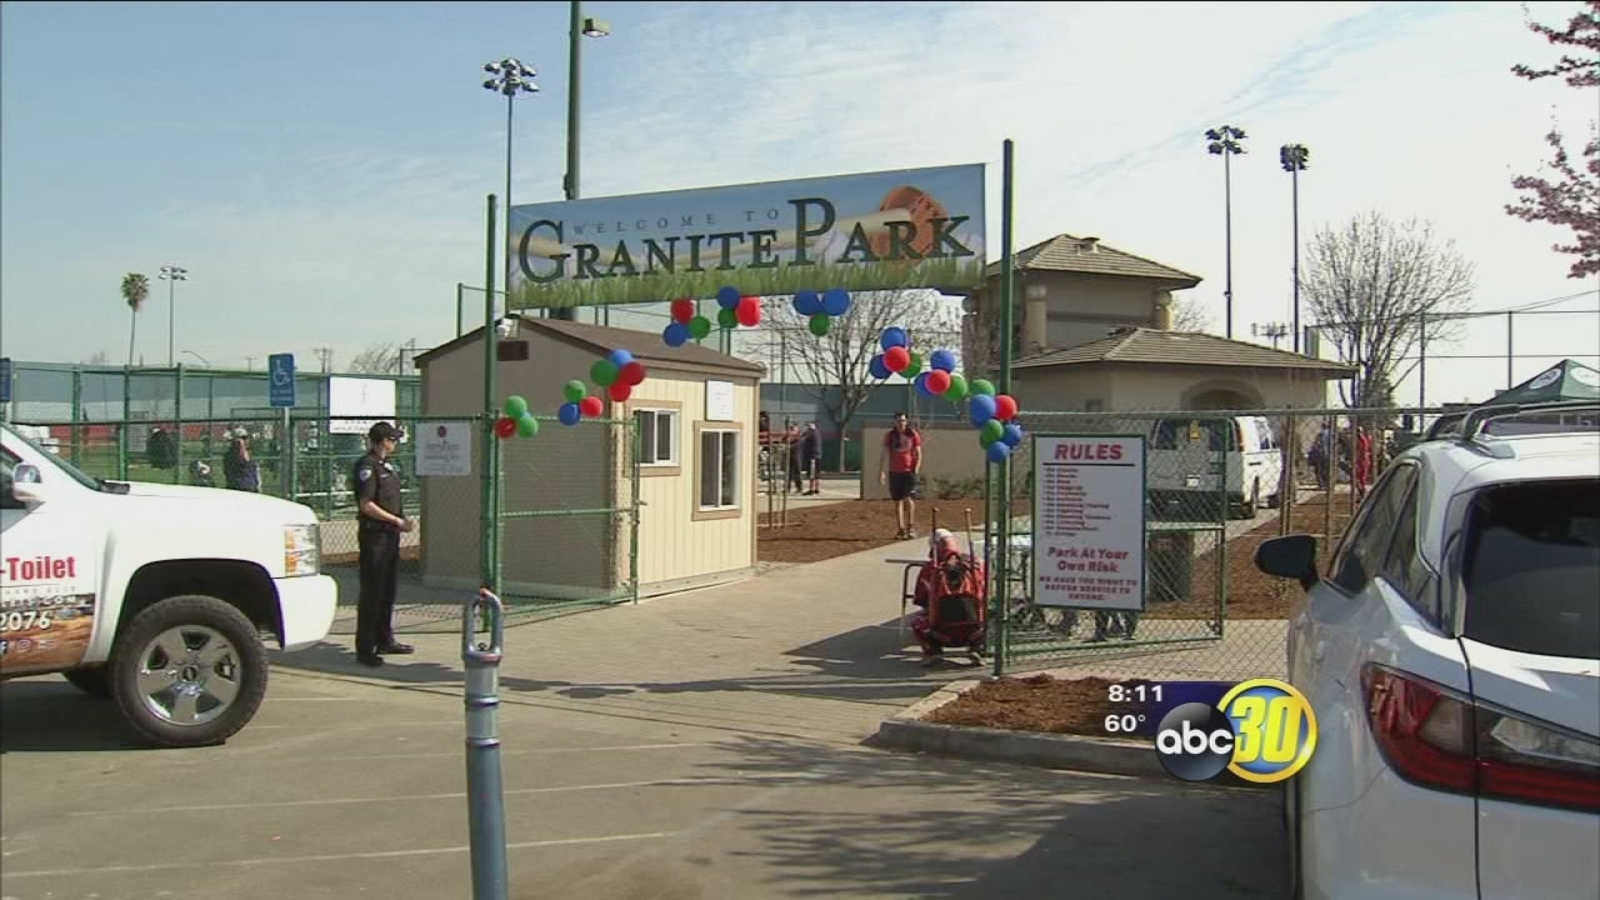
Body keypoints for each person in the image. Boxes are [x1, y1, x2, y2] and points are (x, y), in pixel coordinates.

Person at [353, 421, 414, 667]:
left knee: (388, 590)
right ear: (382, 441)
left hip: (390, 536)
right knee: (372, 592)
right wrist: (396, 520)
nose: (395, 443)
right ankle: (365, 648)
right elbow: (366, 504)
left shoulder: (386, 465)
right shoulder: (367, 467)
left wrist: (400, 521)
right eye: (392, 439)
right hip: (375, 537)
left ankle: (384, 639)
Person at [880, 411, 923, 540]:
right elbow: (884, 453)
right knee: (897, 500)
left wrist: (916, 469)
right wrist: (881, 471)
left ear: (906, 421)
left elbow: (919, 453)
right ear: (895, 422)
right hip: (894, 471)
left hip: (908, 471)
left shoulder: (912, 434)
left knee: (908, 499)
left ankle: (911, 527)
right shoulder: (890, 436)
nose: (901, 423)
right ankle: (901, 529)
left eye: (903, 420)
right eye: (898, 421)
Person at [223, 428, 261, 492]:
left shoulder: (249, 452)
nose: (246, 441)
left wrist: (258, 484)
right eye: (243, 438)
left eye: (246, 438)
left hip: (251, 487)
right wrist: (241, 447)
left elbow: (254, 470)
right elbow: (241, 462)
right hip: (237, 488)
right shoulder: (230, 455)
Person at [800, 422, 823, 495]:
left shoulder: (812, 434)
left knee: (812, 474)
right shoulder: (817, 433)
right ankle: (816, 489)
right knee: (816, 473)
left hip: (812, 456)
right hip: (817, 456)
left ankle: (811, 489)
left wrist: (803, 433)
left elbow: (802, 438)